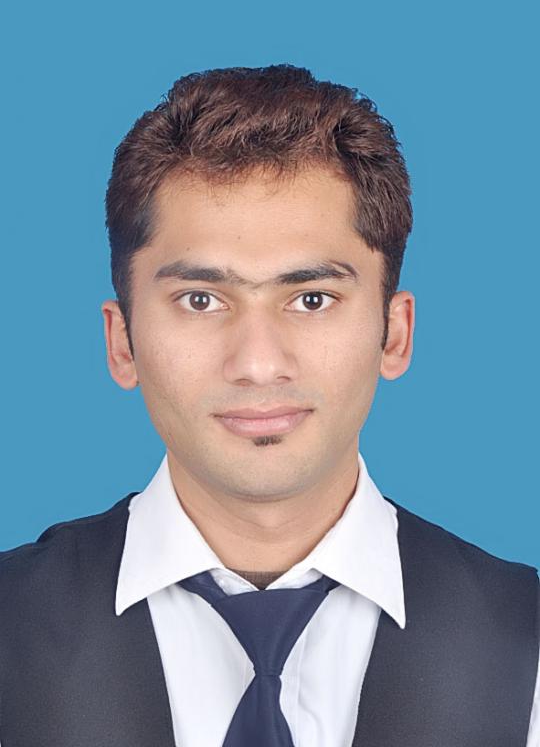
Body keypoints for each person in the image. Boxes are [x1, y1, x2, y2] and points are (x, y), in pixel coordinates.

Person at [0, 65, 538, 747]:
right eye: (201, 300)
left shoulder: (528, 638)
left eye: (311, 299)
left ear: (394, 334)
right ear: (122, 342)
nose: (257, 364)